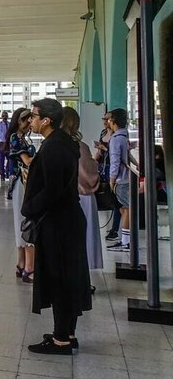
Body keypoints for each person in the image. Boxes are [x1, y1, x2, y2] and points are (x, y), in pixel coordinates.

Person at [22, 98, 92, 355]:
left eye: (34, 115)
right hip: (68, 219)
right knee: (68, 275)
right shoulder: (65, 143)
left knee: (59, 277)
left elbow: (52, 190)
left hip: (58, 221)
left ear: (46, 120)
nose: (31, 120)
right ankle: (67, 332)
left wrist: (29, 207)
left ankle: (61, 339)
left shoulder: (52, 148)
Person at [61, 108, 104, 271]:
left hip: (63, 200)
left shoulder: (53, 146)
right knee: (85, 238)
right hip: (83, 197)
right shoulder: (80, 147)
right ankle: (83, 275)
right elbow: (89, 173)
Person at [7, 108, 36, 283]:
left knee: (21, 220)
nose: (29, 123)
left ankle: (21, 264)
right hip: (22, 183)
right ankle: (28, 267)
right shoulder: (16, 138)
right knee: (25, 220)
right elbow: (26, 161)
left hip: (21, 183)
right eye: (26, 120)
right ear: (19, 121)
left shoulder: (20, 138)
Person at [106, 108, 132, 252]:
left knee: (126, 209)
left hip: (121, 180)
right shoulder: (125, 136)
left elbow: (115, 161)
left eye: (109, 119)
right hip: (126, 177)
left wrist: (112, 178)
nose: (108, 121)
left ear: (113, 121)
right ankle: (125, 239)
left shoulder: (116, 139)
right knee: (123, 209)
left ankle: (126, 242)